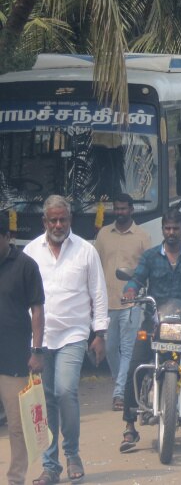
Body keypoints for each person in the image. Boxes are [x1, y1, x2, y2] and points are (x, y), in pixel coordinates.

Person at [119, 209, 181, 453]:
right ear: (163, 230)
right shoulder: (151, 256)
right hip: (155, 321)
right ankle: (130, 426)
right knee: (135, 365)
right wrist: (131, 290)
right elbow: (137, 278)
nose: (171, 232)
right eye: (167, 228)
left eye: (175, 228)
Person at [25, 195, 109, 485]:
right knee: (46, 400)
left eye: (63, 219)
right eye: (53, 220)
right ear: (45, 222)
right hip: (41, 338)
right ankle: (50, 467)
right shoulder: (31, 251)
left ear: (70, 220)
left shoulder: (86, 251)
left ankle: (72, 453)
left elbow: (98, 293)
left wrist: (100, 334)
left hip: (74, 334)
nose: (58, 224)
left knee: (64, 391)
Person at [95, 193, 152, 412]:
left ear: (131, 209)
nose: (120, 212)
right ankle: (129, 384)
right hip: (107, 303)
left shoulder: (142, 236)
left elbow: (148, 269)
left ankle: (120, 393)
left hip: (132, 304)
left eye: (123, 209)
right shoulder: (103, 235)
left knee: (128, 350)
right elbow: (96, 268)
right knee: (110, 349)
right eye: (116, 209)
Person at [0, 212, 45, 485]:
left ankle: (15, 479)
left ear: (8, 237)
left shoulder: (26, 266)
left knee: (16, 425)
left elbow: (37, 309)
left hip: (14, 357)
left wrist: (36, 350)